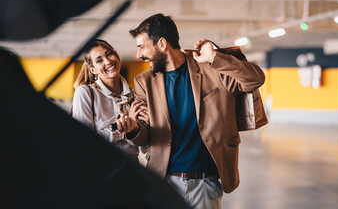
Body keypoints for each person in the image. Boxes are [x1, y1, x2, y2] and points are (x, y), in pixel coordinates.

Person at [122, 13, 265, 209]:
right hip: (165, 181)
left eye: (141, 47)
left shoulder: (212, 69)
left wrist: (215, 57)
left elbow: (255, 79)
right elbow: (145, 136)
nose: (139, 54)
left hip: (205, 183)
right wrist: (133, 130)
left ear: (162, 44)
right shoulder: (143, 83)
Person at [72, 39, 148, 158]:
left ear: (117, 55)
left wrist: (136, 128)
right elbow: (84, 143)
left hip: (132, 170)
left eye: (109, 54)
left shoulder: (135, 95)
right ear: (93, 70)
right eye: (99, 60)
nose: (108, 61)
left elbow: (145, 148)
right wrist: (123, 127)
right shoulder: (85, 93)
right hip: (101, 170)